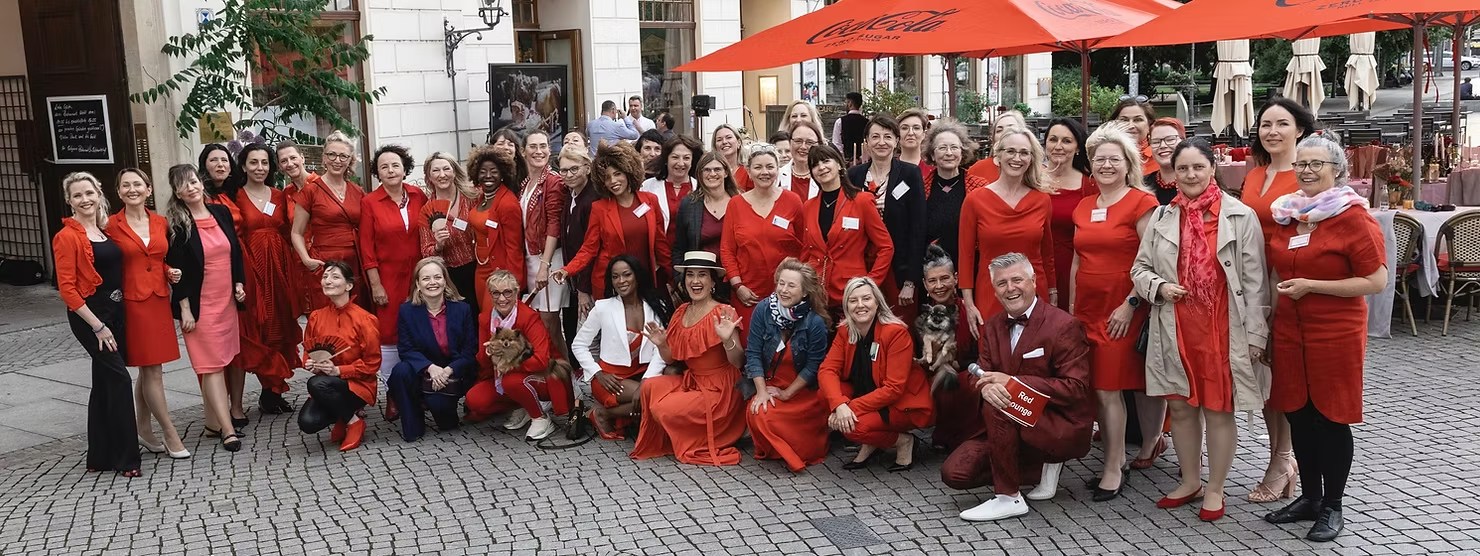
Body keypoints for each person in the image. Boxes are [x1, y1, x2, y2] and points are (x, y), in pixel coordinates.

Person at [1131, 137, 1271, 523]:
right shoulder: (1162, 217)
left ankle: (1215, 488)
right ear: (1173, 174)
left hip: (1223, 327)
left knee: (1218, 409)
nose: (1190, 174)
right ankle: (1190, 480)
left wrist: (1258, 336)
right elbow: (1139, 270)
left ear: (1213, 168)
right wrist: (1159, 287)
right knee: (1180, 406)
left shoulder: (1240, 216)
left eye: (1198, 167)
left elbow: (1257, 283)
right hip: (1174, 326)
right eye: (1183, 168)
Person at [1262, 134, 1385, 542]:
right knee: (1297, 413)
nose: (1307, 170)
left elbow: (1376, 280)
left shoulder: (1353, 217)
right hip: (1289, 331)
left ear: (1337, 170)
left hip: (1335, 332)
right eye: (1301, 163)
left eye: (1316, 164)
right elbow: (1277, 274)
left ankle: (1333, 505)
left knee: (1330, 416)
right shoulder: (1291, 215)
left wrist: (1314, 286)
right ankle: (1310, 498)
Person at [940, 253, 1094, 521]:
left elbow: (1076, 387)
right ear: (995, 290)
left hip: (1058, 422)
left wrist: (1013, 384)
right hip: (1008, 426)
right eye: (1002, 283)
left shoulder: (1064, 325)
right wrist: (984, 387)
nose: (1010, 288)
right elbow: (980, 371)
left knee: (1002, 399)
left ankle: (1009, 497)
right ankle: (1039, 467)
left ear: (1033, 281)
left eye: (1017, 280)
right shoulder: (991, 327)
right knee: (955, 473)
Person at [1071, 125, 1164, 502]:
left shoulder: (1143, 203)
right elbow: (1078, 259)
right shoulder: (1083, 205)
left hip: (1124, 308)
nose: (1107, 165)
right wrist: (1073, 310)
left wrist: (1131, 303)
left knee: (1110, 388)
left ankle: (1113, 466)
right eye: (1100, 159)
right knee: (1100, 387)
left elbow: (1154, 259)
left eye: (1115, 159)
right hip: (1088, 310)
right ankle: (1124, 455)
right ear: (1091, 165)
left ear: (1129, 164)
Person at [1242, 97, 1315, 503]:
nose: (1271, 131)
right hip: (1255, 282)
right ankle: (1281, 458)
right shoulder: (1255, 175)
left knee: (1284, 373)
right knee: (1266, 373)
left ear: (1299, 130)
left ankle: (1282, 459)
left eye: (1281, 124)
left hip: (1287, 281)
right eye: (1265, 124)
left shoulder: (1306, 176)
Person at [54, 172, 143, 476]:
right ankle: (127, 459)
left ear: (98, 193)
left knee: (104, 382)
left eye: (89, 193)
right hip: (91, 318)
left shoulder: (104, 230)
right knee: (119, 380)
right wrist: (97, 326)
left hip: (115, 312)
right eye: (77, 195)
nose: (85, 200)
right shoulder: (66, 236)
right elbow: (67, 289)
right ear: (69, 201)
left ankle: (100, 456)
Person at [631, 251, 747, 466]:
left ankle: (706, 435)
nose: (695, 281)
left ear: (712, 281)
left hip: (721, 390)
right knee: (649, 387)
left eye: (702, 275)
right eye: (690, 275)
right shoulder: (681, 311)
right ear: (684, 282)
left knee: (662, 409)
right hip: (693, 381)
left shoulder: (723, 311)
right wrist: (662, 344)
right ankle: (681, 433)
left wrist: (727, 339)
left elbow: (738, 362)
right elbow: (671, 358)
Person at [163, 164, 246, 453]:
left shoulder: (220, 212)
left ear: (202, 183)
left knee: (223, 360)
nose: (191, 187)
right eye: (183, 184)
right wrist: (184, 309)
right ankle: (227, 430)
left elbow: (235, 250)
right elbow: (178, 270)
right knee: (210, 367)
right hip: (200, 305)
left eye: (194, 181)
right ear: (176, 192)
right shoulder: (177, 224)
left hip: (225, 301)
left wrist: (239, 283)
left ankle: (213, 423)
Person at [107, 169, 188, 459]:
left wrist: (170, 272)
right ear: (118, 192)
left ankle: (143, 427)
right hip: (132, 303)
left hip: (158, 300)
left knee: (150, 369)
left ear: (148, 189)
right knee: (152, 370)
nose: (132, 189)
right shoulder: (110, 225)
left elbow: (158, 258)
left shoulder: (160, 222)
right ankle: (169, 432)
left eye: (137, 184)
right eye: (125, 185)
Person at [818, 277, 933, 471]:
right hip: (869, 396)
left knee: (853, 426)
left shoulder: (896, 333)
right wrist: (838, 404)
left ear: (877, 302)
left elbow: (893, 389)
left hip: (901, 403)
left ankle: (903, 441)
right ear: (846, 305)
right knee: (824, 397)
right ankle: (872, 442)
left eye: (866, 299)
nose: (860, 305)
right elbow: (827, 369)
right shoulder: (846, 331)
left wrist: (848, 408)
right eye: (853, 300)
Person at [959, 128, 1056, 331]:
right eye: (1010, 151)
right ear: (998, 156)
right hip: (991, 292)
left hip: (1034, 293)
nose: (1017, 158)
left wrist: (1053, 294)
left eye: (1024, 153)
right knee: (994, 356)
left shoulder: (1042, 200)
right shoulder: (975, 200)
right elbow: (966, 256)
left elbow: (1047, 255)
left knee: (1036, 357)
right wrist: (968, 304)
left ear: (1031, 159)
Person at [232, 143, 302, 416]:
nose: (259, 168)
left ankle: (272, 392)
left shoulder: (279, 195)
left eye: (264, 163)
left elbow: (290, 230)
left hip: (281, 269)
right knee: (261, 326)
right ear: (243, 166)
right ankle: (267, 384)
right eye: (253, 162)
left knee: (281, 325)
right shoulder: (236, 197)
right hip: (253, 270)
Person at [571, 256, 673, 439]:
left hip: (643, 373)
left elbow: (660, 349)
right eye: (615, 277)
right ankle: (603, 414)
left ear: (637, 276)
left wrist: (646, 381)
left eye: (626, 275)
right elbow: (578, 344)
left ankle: (613, 414)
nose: (621, 281)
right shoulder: (603, 307)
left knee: (668, 388)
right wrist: (597, 373)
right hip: (611, 379)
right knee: (652, 398)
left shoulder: (656, 306)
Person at [361, 144, 428, 420]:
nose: (390, 170)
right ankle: (393, 395)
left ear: (405, 168)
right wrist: (376, 285)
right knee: (389, 337)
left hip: (419, 277)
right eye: (384, 166)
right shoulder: (370, 202)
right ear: (377, 172)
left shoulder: (418, 196)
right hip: (387, 277)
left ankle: (419, 390)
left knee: (420, 332)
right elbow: (366, 249)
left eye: (395, 165)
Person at [743, 258, 831, 471]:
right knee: (759, 411)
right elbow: (753, 353)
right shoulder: (763, 310)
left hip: (800, 390)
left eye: (791, 285)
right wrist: (761, 391)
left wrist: (787, 394)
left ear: (804, 292)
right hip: (770, 383)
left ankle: (804, 444)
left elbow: (813, 366)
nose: (783, 290)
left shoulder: (815, 323)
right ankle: (776, 449)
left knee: (799, 441)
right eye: (781, 283)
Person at [555, 142, 673, 299]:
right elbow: (589, 248)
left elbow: (660, 244)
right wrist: (567, 270)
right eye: (607, 177)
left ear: (628, 171)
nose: (613, 181)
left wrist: (674, 276)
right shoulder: (599, 208)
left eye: (617, 174)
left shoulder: (650, 201)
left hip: (643, 280)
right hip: (609, 283)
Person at [466, 270, 571, 441]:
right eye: (496, 293)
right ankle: (524, 406)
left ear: (516, 293)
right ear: (490, 295)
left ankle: (541, 419)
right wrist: (488, 353)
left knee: (511, 381)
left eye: (507, 292)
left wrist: (509, 365)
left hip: (547, 375)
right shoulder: (485, 319)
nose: (502, 299)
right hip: (506, 376)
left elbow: (542, 360)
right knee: (475, 400)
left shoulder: (529, 317)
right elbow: (483, 363)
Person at [388, 257, 479, 442]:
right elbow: (406, 349)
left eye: (437, 277)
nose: (432, 283)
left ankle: (437, 405)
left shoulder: (463, 309)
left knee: (446, 422)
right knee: (400, 371)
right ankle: (413, 419)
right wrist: (430, 367)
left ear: (445, 280)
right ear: (418, 284)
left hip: (451, 374)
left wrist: (447, 371)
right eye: (426, 278)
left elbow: (470, 351)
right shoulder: (407, 311)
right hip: (422, 371)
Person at [848, 115, 927, 322]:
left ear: (896, 141)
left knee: (899, 324)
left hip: (898, 268)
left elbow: (918, 228)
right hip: (862, 263)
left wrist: (911, 281)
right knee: (865, 322)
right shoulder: (854, 175)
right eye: (875, 137)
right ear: (867, 141)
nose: (881, 142)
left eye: (887, 137)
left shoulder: (910, 174)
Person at [798, 143, 893, 313]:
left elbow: (886, 247)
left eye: (826, 161)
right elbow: (807, 251)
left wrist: (870, 284)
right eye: (815, 165)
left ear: (839, 164)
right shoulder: (808, 206)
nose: (821, 167)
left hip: (852, 293)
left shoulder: (861, 201)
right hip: (817, 294)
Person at [298, 260, 380, 452]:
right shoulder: (316, 317)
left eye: (335, 277)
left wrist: (338, 370)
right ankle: (345, 416)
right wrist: (312, 365)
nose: (328, 281)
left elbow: (372, 364)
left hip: (358, 385)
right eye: (325, 276)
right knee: (307, 423)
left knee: (316, 384)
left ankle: (353, 422)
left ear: (349, 285)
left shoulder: (365, 320)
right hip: (327, 385)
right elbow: (308, 353)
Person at [722, 143, 804, 325]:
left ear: (778, 169)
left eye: (770, 167)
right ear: (749, 172)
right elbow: (727, 250)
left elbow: (804, 245)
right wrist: (738, 286)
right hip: (748, 294)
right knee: (750, 347)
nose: (764, 172)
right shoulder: (735, 204)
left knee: (784, 349)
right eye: (758, 167)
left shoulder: (793, 201)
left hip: (786, 293)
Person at [291, 131, 367, 311]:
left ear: (350, 161)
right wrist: (306, 260)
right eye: (332, 154)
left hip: (354, 259)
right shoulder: (311, 191)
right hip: (325, 262)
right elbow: (296, 232)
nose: (337, 160)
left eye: (343, 156)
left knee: (354, 312)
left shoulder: (357, 191)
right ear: (324, 158)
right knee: (327, 312)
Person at [921, 244, 985, 452]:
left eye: (944, 278)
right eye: (932, 280)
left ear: (956, 278)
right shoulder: (920, 316)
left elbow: (982, 353)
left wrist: (957, 363)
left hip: (966, 369)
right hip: (930, 372)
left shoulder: (972, 311)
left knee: (966, 381)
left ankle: (966, 435)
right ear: (924, 284)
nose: (939, 285)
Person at [516, 130, 572, 359]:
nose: (539, 151)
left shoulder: (553, 181)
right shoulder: (526, 182)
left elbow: (554, 225)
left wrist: (545, 264)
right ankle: (551, 372)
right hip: (531, 258)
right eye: (533, 146)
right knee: (539, 320)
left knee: (549, 321)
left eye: (543, 146)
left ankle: (566, 376)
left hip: (548, 258)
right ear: (523, 151)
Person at [1044, 118, 1097, 311]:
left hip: (1073, 269)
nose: (1058, 146)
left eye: (1067, 141)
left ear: (1077, 148)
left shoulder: (1090, 185)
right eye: (1053, 139)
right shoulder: (1029, 180)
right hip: (1036, 267)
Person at [418, 151, 481, 315]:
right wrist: (438, 245)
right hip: (450, 275)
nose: (442, 175)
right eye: (436, 171)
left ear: (454, 171)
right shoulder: (427, 210)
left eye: (446, 169)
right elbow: (426, 251)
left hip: (479, 266)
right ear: (429, 176)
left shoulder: (473, 195)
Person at [465, 146, 525, 313]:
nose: (488, 175)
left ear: (503, 174)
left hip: (500, 272)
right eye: (483, 171)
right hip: (481, 269)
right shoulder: (482, 197)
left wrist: (512, 283)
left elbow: (515, 248)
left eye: (494, 171)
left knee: (497, 320)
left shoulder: (507, 204)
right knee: (485, 317)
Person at [921, 120, 988, 265]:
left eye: (954, 147)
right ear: (932, 154)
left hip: (970, 265)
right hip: (932, 269)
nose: (949, 153)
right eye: (942, 148)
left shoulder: (980, 187)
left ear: (962, 152)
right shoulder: (921, 187)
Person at [672, 152, 738, 272]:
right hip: (701, 279)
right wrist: (679, 279)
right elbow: (679, 248)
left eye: (717, 169)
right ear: (700, 174)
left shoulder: (740, 202)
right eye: (707, 170)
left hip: (735, 277)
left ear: (726, 172)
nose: (712, 174)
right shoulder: (688, 204)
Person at [556, 147, 600, 317]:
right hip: (574, 275)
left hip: (589, 281)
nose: (569, 174)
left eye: (574, 169)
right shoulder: (572, 194)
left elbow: (591, 248)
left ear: (587, 168)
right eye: (564, 170)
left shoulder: (592, 200)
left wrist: (583, 289)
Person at [276, 140, 319, 313]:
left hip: (322, 256)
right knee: (310, 314)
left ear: (302, 158)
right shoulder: (286, 193)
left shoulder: (321, 185)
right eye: (284, 161)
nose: (290, 163)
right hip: (300, 262)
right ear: (279, 166)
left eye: (293, 157)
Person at [639, 134, 702, 235]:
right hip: (657, 248)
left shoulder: (700, 188)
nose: (681, 163)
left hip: (691, 250)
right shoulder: (647, 186)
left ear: (692, 161)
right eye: (675, 157)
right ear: (666, 159)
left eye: (686, 158)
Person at [966, 111, 1028, 183]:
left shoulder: (1034, 170)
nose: (1005, 133)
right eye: (999, 130)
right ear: (993, 138)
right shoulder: (978, 169)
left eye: (1011, 129)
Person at [1110, 95, 1159, 176]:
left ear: (1150, 125)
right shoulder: (1103, 156)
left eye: (1138, 120)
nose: (1130, 125)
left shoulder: (1160, 157)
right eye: (1124, 120)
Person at [1144, 118, 1188, 205]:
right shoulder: (1143, 185)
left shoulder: (1195, 180)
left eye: (1170, 140)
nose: (1162, 146)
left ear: (1184, 142)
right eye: (1156, 142)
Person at [778, 120, 824, 199]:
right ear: (790, 143)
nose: (803, 147)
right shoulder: (777, 176)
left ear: (818, 145)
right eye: (798, 141)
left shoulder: (825, 176)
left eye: (809, 142)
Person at [897, 108, 933, 179]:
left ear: (924, 134)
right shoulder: (889, 168)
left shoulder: (934, 168)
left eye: (916, 128)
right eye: (904, 128)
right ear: (897, 133)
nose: (910, 133)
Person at [831, 91, 867, 163]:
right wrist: (860, 159)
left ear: (850, 103)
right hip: (863, 162)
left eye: (846, 102)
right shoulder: (867, 122)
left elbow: (836, 143)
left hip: (845, 161)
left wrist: (843, 159)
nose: (845, 105)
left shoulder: (840, 121)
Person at [712, 124, 749, 190]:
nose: (724, 142)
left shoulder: (748, 172)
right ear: (715, 146)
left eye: (729, 137)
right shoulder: (712, 172)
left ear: (739, 143)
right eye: (719, 140)